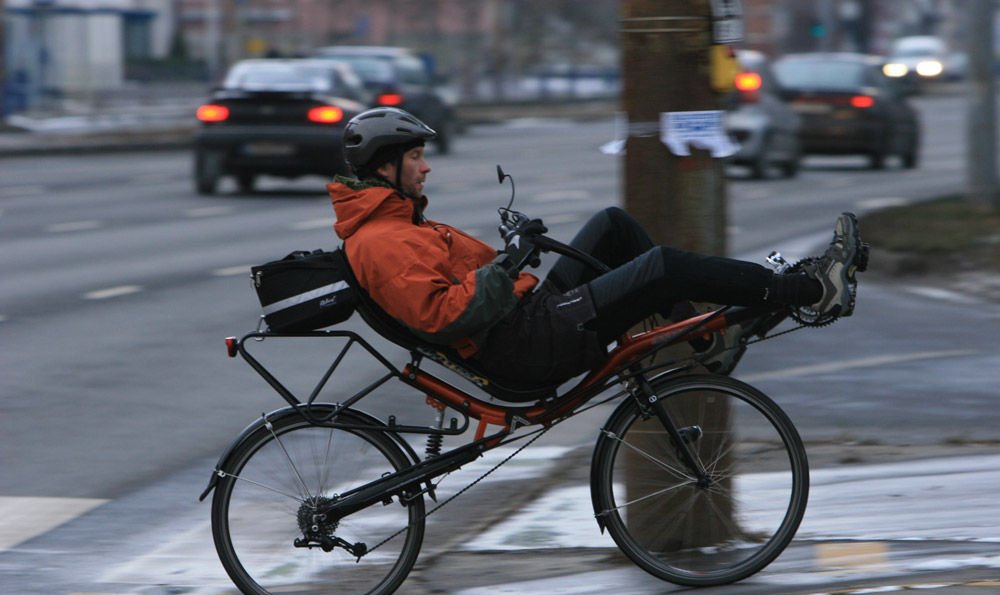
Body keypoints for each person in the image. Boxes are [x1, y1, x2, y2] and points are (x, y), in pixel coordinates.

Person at [328, 107, 865, 390]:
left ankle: (701, 343)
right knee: (663, 266)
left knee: (613, 224)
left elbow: (461, 286)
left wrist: (512, 253)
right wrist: (507, 263)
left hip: (527, 318)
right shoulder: (382, 240)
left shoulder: (398, 223)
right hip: (527, 345)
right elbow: (444, 315)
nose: (425, 167)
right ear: (385, 166)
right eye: (417, 156)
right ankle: (812, 290)